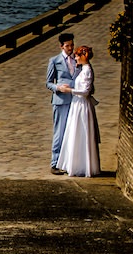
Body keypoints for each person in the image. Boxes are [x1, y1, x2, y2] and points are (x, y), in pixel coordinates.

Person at [55, 46, 101, 177]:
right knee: (75, 131)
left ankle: (82, 165)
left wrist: (70, 91)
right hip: (77, 104)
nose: (75, 59)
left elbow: (85, 92)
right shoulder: (83, 70)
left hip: (82, 104)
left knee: (82, 131)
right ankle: (75, 164)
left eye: (77, 56)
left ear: (83, 56)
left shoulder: (87, 71)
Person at [45, 33, 76, 175]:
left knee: (73, 132)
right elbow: (48, 82)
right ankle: (55, 163)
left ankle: (69, 162)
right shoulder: (55, 61)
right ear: (61, 46)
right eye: (67, 45)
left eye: (72, 45)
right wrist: (58, 88)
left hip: (75, 100)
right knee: (60, 131)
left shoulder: (77, 59)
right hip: (61, 100)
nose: (70, 48)